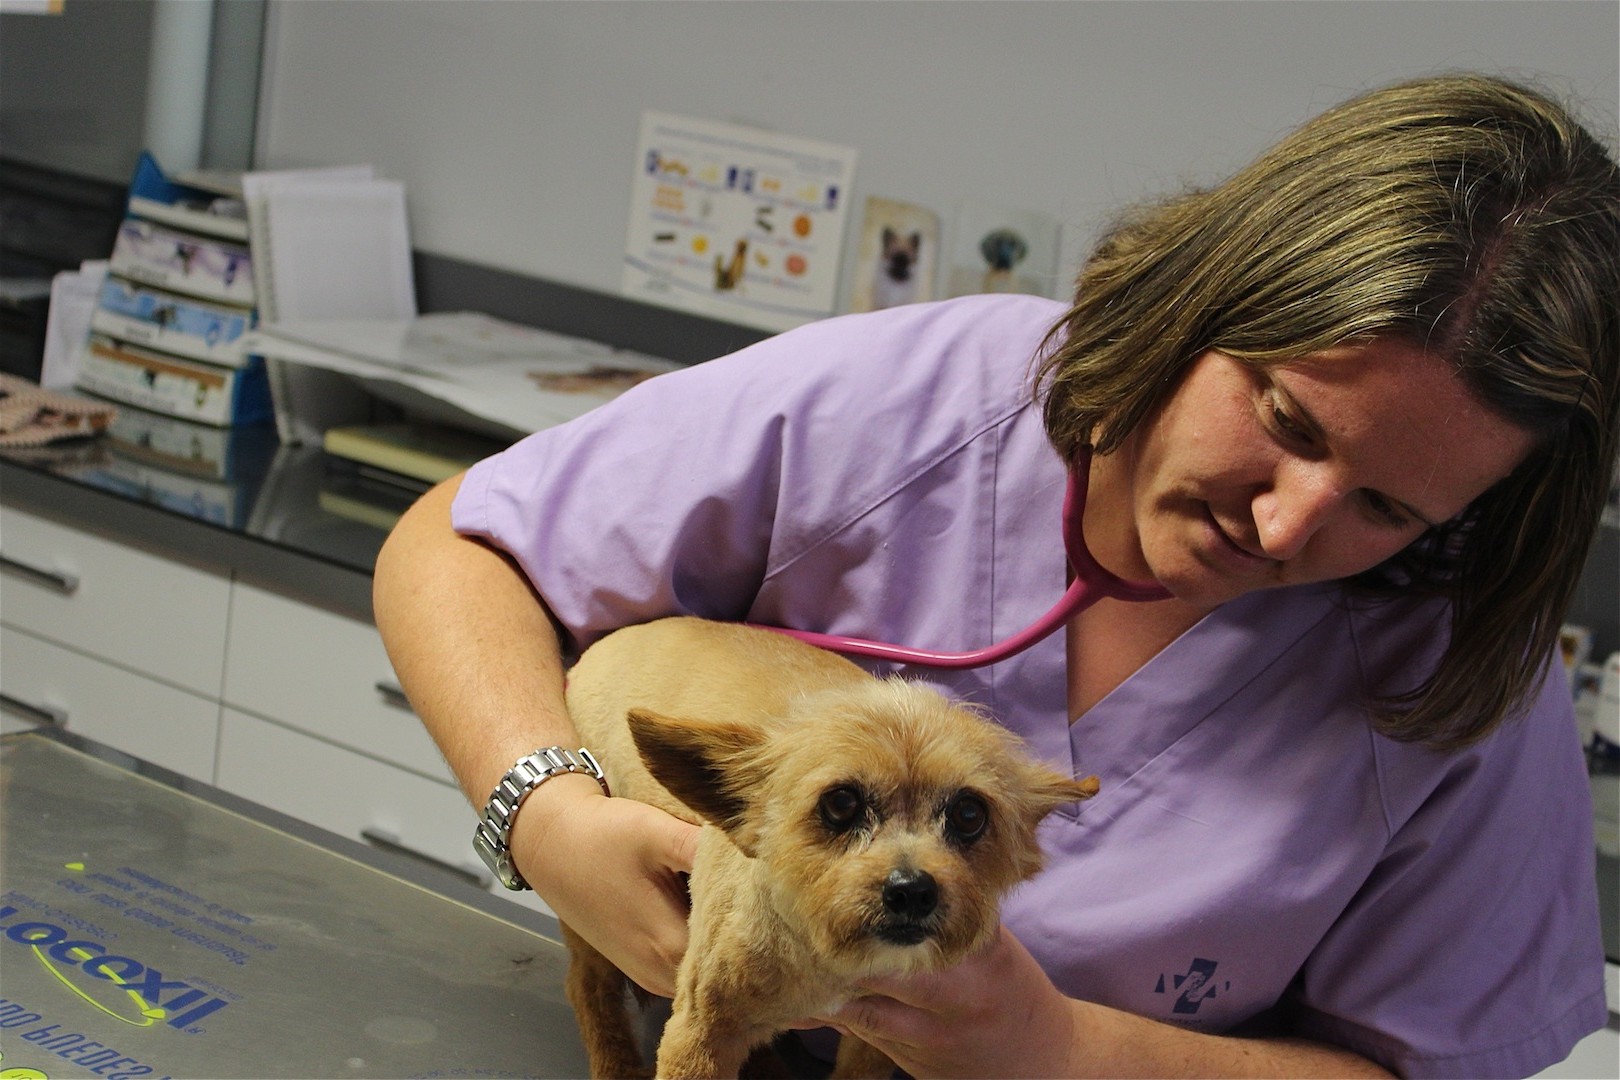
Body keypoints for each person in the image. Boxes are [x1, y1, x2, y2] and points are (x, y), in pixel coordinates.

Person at [374, 73, 1619, 1078]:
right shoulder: (922, 402)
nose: (1290, 528)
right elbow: (462, 544)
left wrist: (1063, 1049)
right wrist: (542, 814)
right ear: (1208, 298)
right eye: (1288, 420)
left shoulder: (1465, 667)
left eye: (1391, 507)